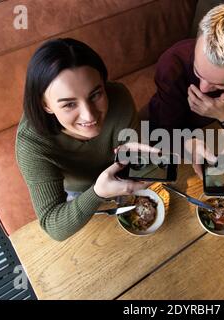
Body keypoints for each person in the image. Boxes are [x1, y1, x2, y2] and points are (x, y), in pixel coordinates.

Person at [16, 38, 152, 241]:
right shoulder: (31, 144)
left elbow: (133, 158)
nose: (90, 116)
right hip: (81, 193)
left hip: (122, 177)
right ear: (45, 105)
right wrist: (97, 192)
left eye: (96, 94)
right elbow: (54, 226)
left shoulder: (119, 97)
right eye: (69, 104)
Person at [146, 3, 224, 177]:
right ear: (197, 41)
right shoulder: (172, 64)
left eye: (220, 84)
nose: (203, 88)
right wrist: (187, 144)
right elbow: (162, 133)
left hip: (215, 130)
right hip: (168, 130)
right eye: (198, 71)